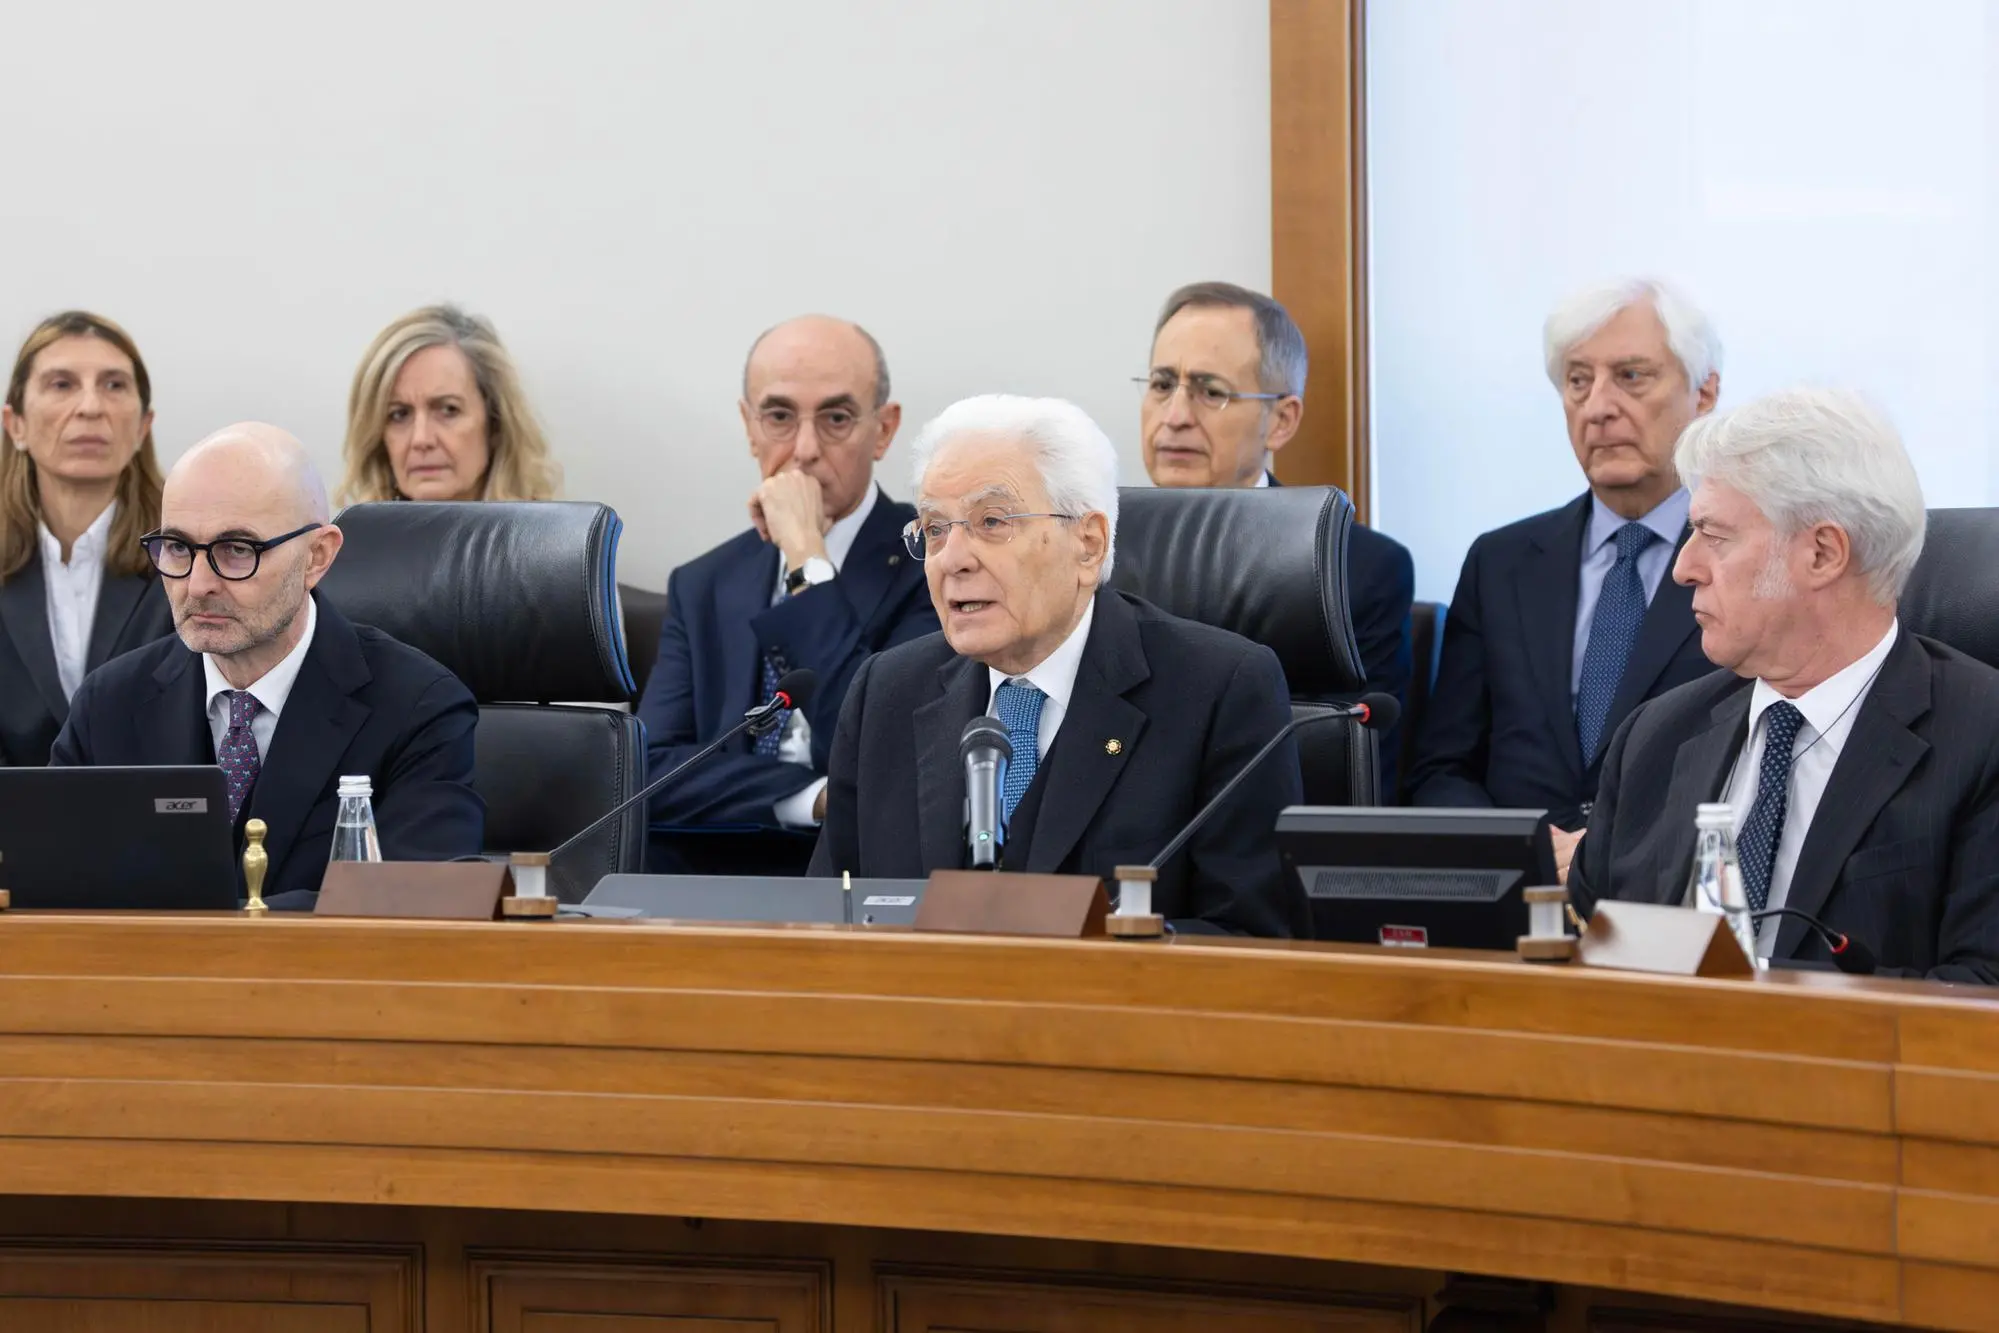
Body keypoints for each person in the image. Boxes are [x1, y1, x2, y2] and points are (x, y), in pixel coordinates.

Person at [810, 393, 1308, 938]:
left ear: (1088, 545)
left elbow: (1254, 942)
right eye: (934, 529)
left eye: (991, 521)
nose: (952, 559)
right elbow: (826, 921)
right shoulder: (886, 692)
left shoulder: (1218, 690)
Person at [1570, 388, 1999, 983]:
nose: (1683, 568)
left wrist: (1769, 994)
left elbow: (1982, 992)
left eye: (1714, 535)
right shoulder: (1653, 736)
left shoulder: (1982, 737)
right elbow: (1588, 955)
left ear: (1822, 553)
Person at [52, 423, 484, 907]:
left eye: (238, 550)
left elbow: (421, 904)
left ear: (317, 556)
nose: (198, 585)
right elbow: (48, 889)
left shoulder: (417, 707)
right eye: (177, 548)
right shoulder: (109, 704)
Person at [1409, 278, 1723, 863]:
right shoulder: (1500, 563)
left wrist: (1602, 856)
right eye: (1578, 381)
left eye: (1631, 375)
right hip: (1517, 891)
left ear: (1704, 393)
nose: (1599, 407)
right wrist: (1521, 849)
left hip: (1670, 888)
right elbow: (1441, 770)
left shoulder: (1742, 560)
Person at [635, 315, 938, 858]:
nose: (804, 449)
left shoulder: (934, 561)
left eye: (836, 418)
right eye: (779, 417)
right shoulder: (704, 583)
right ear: (749, 426)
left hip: (860, 873)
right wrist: (814, 798)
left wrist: (804, 555)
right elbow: (646, 774)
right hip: (710, 873)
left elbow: (884, 754)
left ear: (884, 430)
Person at [1140, 281, 1415, 793]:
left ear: (1281, 421)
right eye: (1162, 384)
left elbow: (1356, 777)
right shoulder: (1090, 552)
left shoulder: (1355, 569)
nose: (1174, 417)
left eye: (1210, 391)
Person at [0, 311, 174, 766]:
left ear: (143, 426)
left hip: (153, 806)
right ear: (15, 423)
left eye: (114, 385)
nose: (91, 407)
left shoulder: (188, 554)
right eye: (62, 384)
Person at [338, 304, 560, 505]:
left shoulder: (549, 537)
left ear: (495, 423)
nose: (421, 439)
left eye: (448, 410)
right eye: (399, 414)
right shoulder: (352, 538)